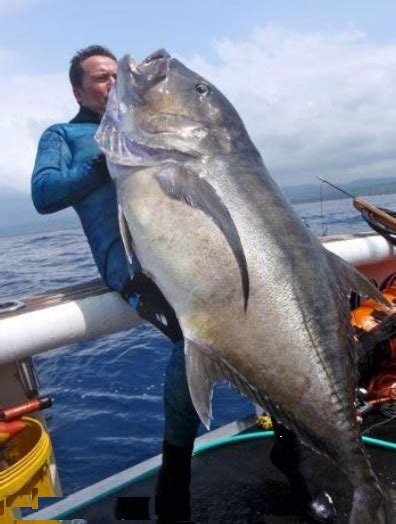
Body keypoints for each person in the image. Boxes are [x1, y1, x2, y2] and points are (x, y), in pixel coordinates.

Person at [31, 45, 335, 523]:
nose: (111, 83)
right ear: (77, 90)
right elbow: (43, 195)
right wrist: (99, 159)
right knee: (189, 339)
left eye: (115, 75)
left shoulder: (151, 122)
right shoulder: (65, 136)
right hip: (130, 266)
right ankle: (175, 479)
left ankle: (292, 453)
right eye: (99, 79)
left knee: (267, 334)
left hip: (187, 262)